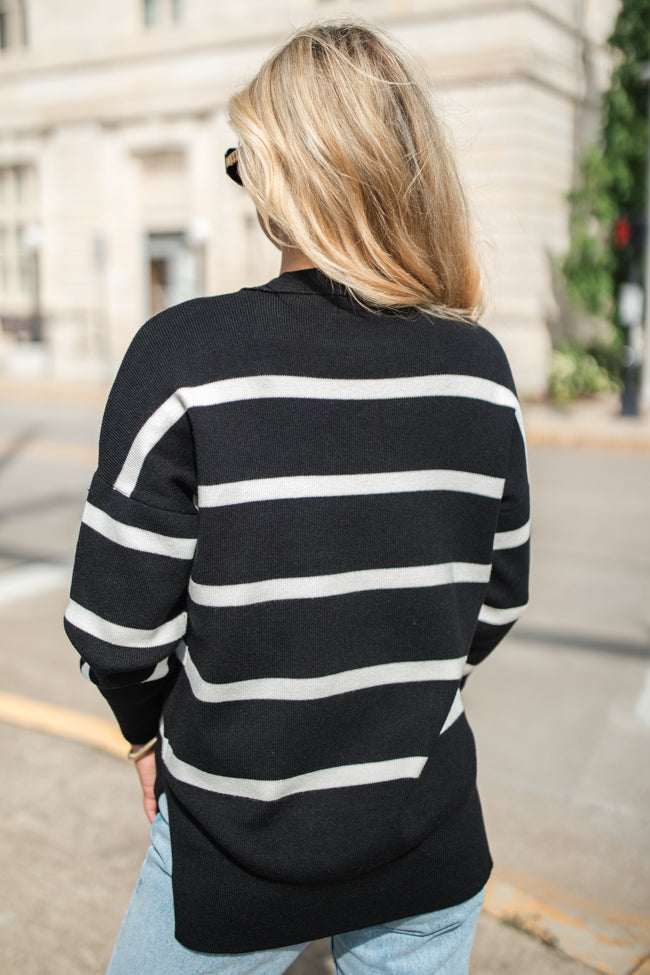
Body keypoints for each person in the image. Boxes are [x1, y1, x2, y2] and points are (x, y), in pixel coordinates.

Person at [64, 19, 530, 975]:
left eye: (246, 164)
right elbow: (495, 601)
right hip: (429, 834)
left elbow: (115, 629)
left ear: (285, 180)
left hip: (237, 840)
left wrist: (141, 736)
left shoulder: (184, 357)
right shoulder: (478, 371)